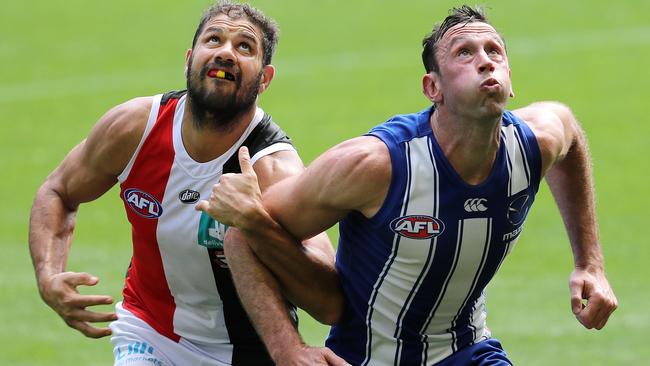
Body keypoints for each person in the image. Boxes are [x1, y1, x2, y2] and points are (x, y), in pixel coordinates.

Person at [197, 5, 618, 365]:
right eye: (465, 53)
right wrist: (287, 348)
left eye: (494, 52)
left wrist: (590, 263)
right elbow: (243, 233)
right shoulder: (373, 164)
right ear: (432, 88)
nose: (485, 60)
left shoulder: (537, 141)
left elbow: (572, 138)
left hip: (467, 350)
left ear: (510, 78)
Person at [28, 1, 347, 365]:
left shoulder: (272, 169)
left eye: (245, 46)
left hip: (248, 352)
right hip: (150, 333)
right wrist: (49, 275)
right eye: (214, 39)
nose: (226, 52)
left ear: (265, 79)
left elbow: (329, 302)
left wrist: (257, 224)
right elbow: (59, 190)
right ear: (189, 58)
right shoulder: (135, 127)